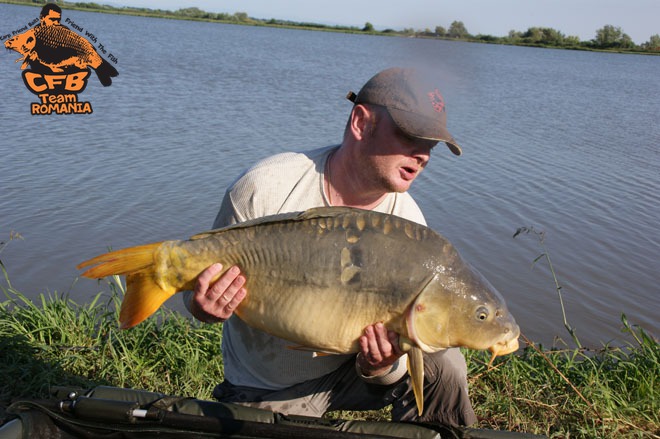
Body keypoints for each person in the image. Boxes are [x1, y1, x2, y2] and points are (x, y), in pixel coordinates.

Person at [184, 67, 478, 427]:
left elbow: (405, 348)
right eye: (410, 136)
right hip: (273, 387)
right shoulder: (267, 188)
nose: (424, 156)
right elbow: (196, 288)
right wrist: (203, 307)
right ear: (361, 122)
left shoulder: (409, 225)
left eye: (431, 145)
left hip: (355, 370)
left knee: (445, 364)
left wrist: (381, 365)